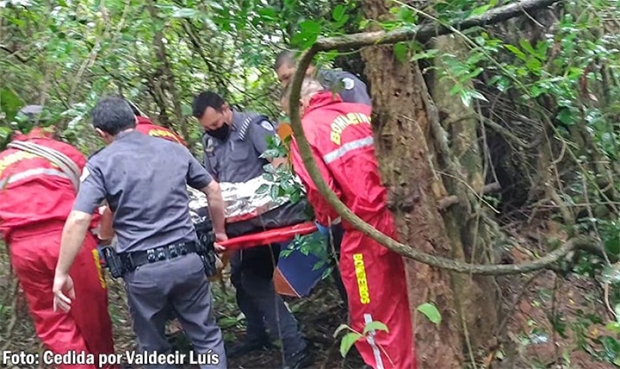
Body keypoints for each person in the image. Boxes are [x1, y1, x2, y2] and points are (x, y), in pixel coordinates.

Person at [52, 97, 228, 369]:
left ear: (101, 133)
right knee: (206, 338)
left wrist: (62, 273)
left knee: (154, 348)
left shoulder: (100, 164)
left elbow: (78, 218)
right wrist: (219, 233)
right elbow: (213, 190)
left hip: (144, 273)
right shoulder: (173, 149)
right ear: (135, 120)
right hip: (188, 262)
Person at [284, 79, 416, 369]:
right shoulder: (362, 110)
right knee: (406, 297)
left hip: (364, 233)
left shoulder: (305, 132)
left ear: (301, 105)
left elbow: (321, 191)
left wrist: (325, 220)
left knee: (370, 307)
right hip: (404, 218)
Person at [192, 91, 311, 369]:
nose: (212, 131)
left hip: (266, 219)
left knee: (256, 281)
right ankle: (257, 335)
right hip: (237, 225)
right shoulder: (211, 142)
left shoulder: (255, 127)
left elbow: (281, 168)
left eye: (214, 124)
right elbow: (213, 182)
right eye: (206, 128)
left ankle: (295, 347)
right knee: (241, 280)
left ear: (225, 109)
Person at [0, 105, 118, 369]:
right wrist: (100, 236)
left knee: (53, 322)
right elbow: (93, 202)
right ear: (51, 126)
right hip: (69, 240)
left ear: (17, 129)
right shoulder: (66, 153)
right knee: (92, 317)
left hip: (23, 249)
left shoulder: (1, 162)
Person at [274, 49, 372, 106]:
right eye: (281, 81)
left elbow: (364, 114)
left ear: (307, 68)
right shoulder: (296, 98)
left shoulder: (341, 83)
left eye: (287, 77)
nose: (284, 85)